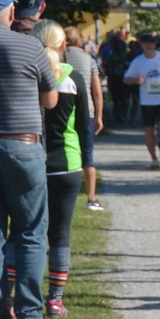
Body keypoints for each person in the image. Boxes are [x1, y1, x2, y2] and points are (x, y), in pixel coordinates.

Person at [0, 0, 60, 319]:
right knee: (29, 233)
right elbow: (50, 101)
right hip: (23, 148)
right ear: (11, 12)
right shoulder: (30, 46)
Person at [26, 21, 87, 318]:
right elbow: (85, 125)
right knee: (60, 235)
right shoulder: (73, 78)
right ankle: (55, 300)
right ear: (64, 46)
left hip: (31, 159)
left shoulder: (28, 76)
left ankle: (14, 297)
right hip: (67, 163)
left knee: (24, 232)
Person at [59, 23, 105, 210]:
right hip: (87, 111)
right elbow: (97, 90)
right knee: (87, 155)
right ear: (79, 40)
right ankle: (91, 197)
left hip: (63, 110)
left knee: (63, 150)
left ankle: (62, 189)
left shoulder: (59, 58)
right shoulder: (89, 59)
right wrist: (99, 116)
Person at [124, 33, 160, 168]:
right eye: (145, 43)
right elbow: (126, 79)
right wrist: (136, 80)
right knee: (148, 131)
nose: (148, 46)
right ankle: (154, 159)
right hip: (147, 101)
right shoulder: (138, 61)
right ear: (141, 45)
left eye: (151, 43)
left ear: (155, 44)